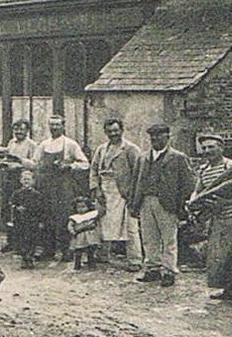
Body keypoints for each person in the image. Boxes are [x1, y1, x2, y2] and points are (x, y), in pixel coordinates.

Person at [193, 131, 232, 307]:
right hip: (221, 219)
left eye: (211, 147)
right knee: (225, 257)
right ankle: (230, 291)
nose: (208, 151)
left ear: (221, 148)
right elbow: (199, 191)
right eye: (204, 148)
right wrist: (192, 201)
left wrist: (226, 202)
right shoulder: (204, 170)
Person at [130, 123, 195, 287]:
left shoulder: (178, 157)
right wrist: (134, 204)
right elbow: (135, 181)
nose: (155, 139)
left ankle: (168, 271)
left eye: (159, 136)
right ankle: (152, 268)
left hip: (167, 203)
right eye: (152, 137)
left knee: (168, 239)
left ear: (168, 137)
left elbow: (187, 184)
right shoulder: (143, 157)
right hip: (146, 200)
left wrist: (181, 206)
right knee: (149, 238)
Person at [92, 118, 145, 269]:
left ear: (122, 130)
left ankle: (135, 260)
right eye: (109, 131)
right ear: (105, 132)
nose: (113, 134)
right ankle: (103, 254)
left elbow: (138, 172)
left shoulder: (130, 148)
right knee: (103, 223)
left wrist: (134, 194)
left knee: (130, 226)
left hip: (123, 192)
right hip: (105, 190)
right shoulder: (101, 149)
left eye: (116, 130)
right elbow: (94, 170)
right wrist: (96, 189)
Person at [35, 116, 89, 260]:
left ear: (63, 126)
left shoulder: (70, 144)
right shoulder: (43, 144)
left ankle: (66, 251)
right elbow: (36, 163)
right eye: (52, 125)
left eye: (57, 125)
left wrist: (69, 166)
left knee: (64, 217)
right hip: (46, 186)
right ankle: (49, 250)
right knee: (47, 216)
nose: (54, 128)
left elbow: (85, 163)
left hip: (63, 186)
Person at [6, 167, 52, 267]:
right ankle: (24, 258)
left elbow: (41, 208)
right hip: (21, 220)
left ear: (33, 181)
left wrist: (40, 221)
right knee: (22, 239)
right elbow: (11, 203)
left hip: (32, 220)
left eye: (29, 179)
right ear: (20, 180)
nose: (26, 181)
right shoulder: (17, 193)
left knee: (32, 239)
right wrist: (17, 207)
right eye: (24, 179)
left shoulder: (37, 194)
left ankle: (30, 257)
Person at [1, 119, 39, 207]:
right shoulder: (11, 142)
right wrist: (3, 163)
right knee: (7, 203)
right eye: (16, 129)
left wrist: (19, 162)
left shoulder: (32, 145)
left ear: (27, 130)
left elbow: (34, 164)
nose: (18, 132)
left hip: (23, 180)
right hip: (9, 178)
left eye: (21, 129)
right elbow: (7, 157)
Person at [67, 195, 102, 270]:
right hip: (79, 237)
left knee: (90, 252)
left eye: (83, 207)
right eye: (78, 207)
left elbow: (94, 224)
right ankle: (77, 265)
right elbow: (70, 225)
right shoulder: (75, 217)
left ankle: (92, 265)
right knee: (78, 252)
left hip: (89, 237)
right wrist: (72, 230)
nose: (81, 209)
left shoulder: (90, 216)